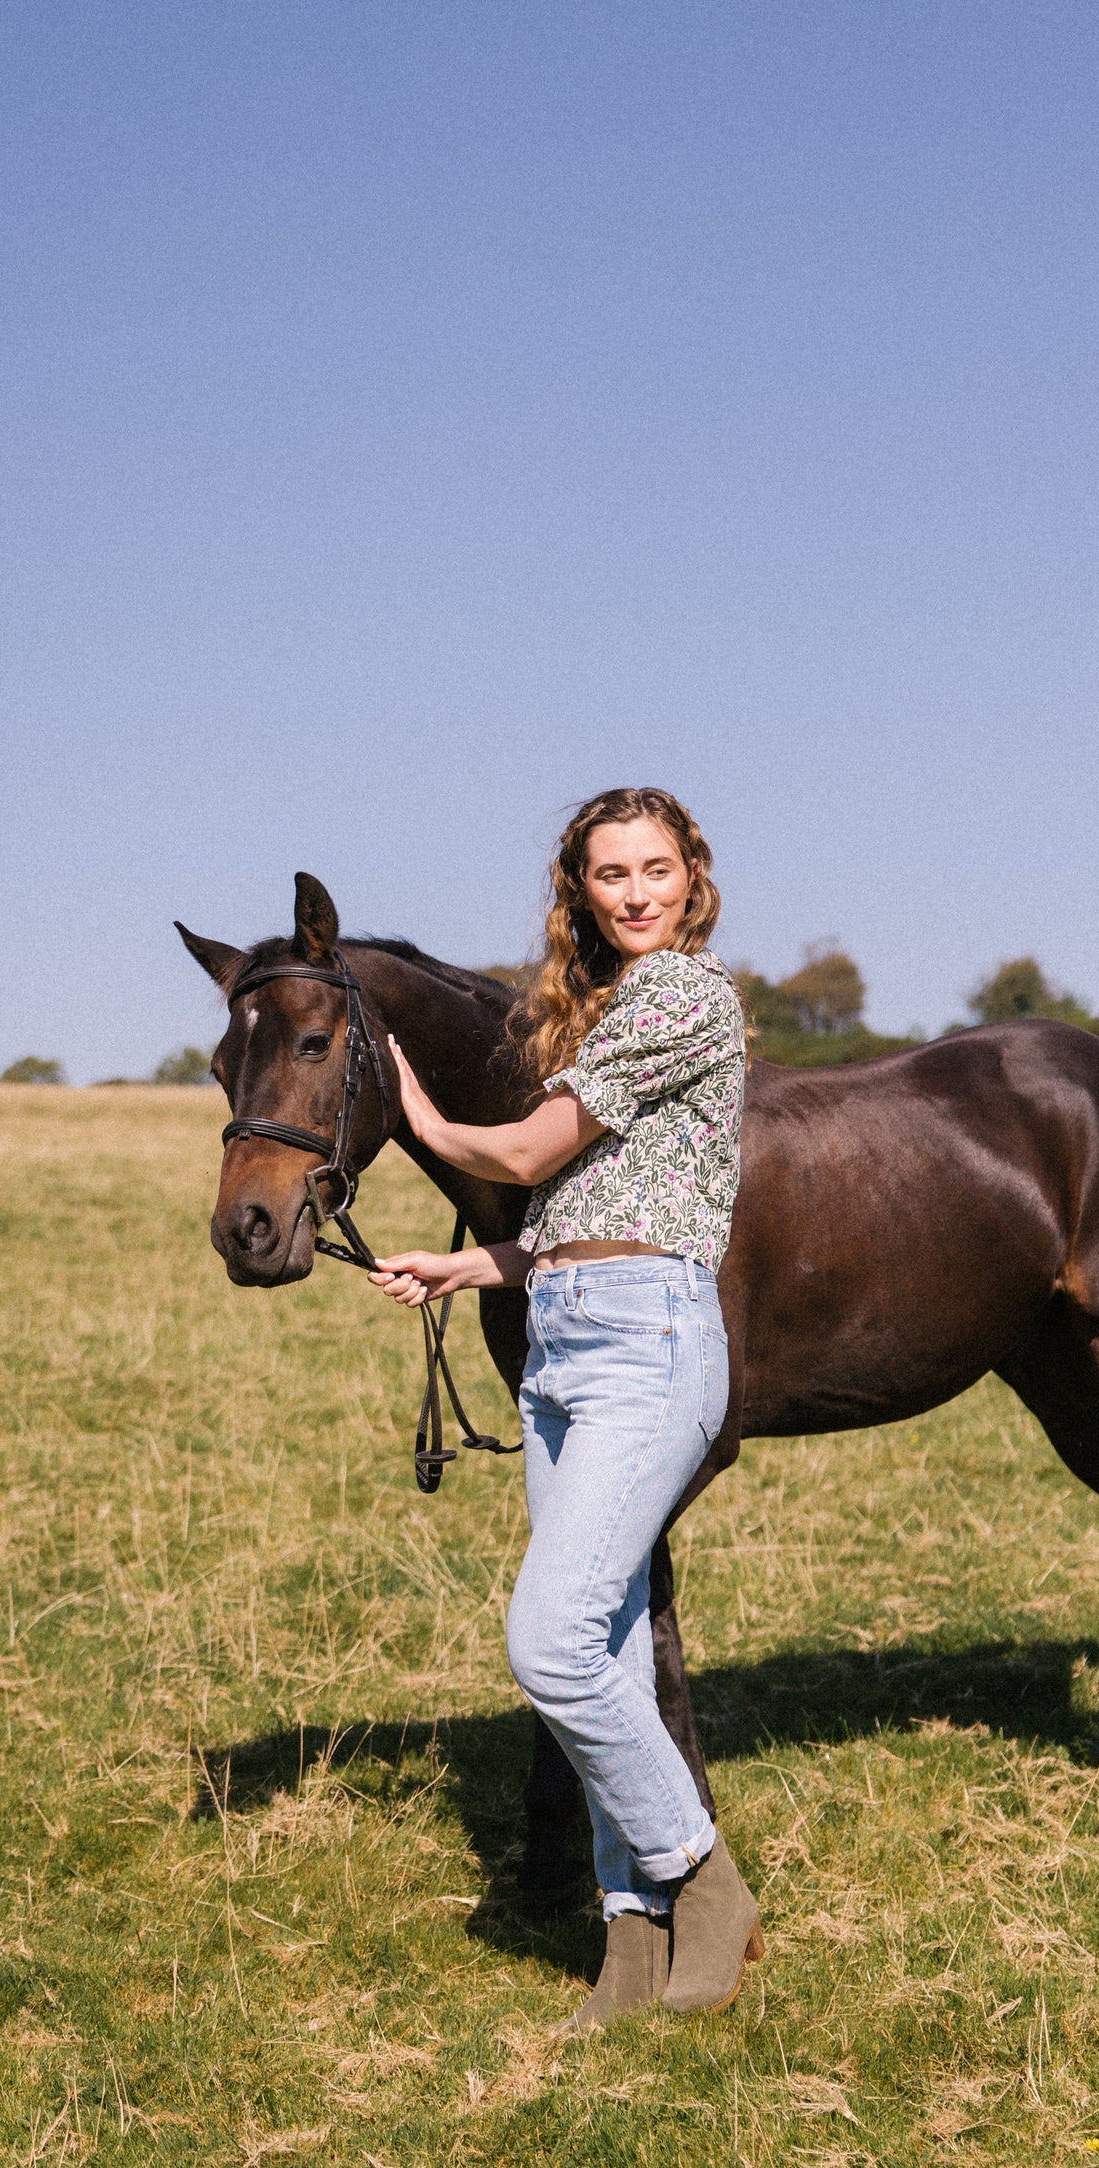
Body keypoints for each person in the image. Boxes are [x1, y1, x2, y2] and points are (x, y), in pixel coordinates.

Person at [368, 785, 760, 2031]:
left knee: (544, 1643)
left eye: (657, 868)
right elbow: (574, 1216)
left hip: (649, 1340)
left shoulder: (683, 995)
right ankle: (630, 1941)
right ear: (579, 890)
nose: (636, 890)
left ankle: (704, 1880)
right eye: (610, 873)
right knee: (600, 1657)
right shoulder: (604, 1010)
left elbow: (533, 1156)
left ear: (691, 880)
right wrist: (465, 1264)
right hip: (564, 1342)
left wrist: (422, 1118)